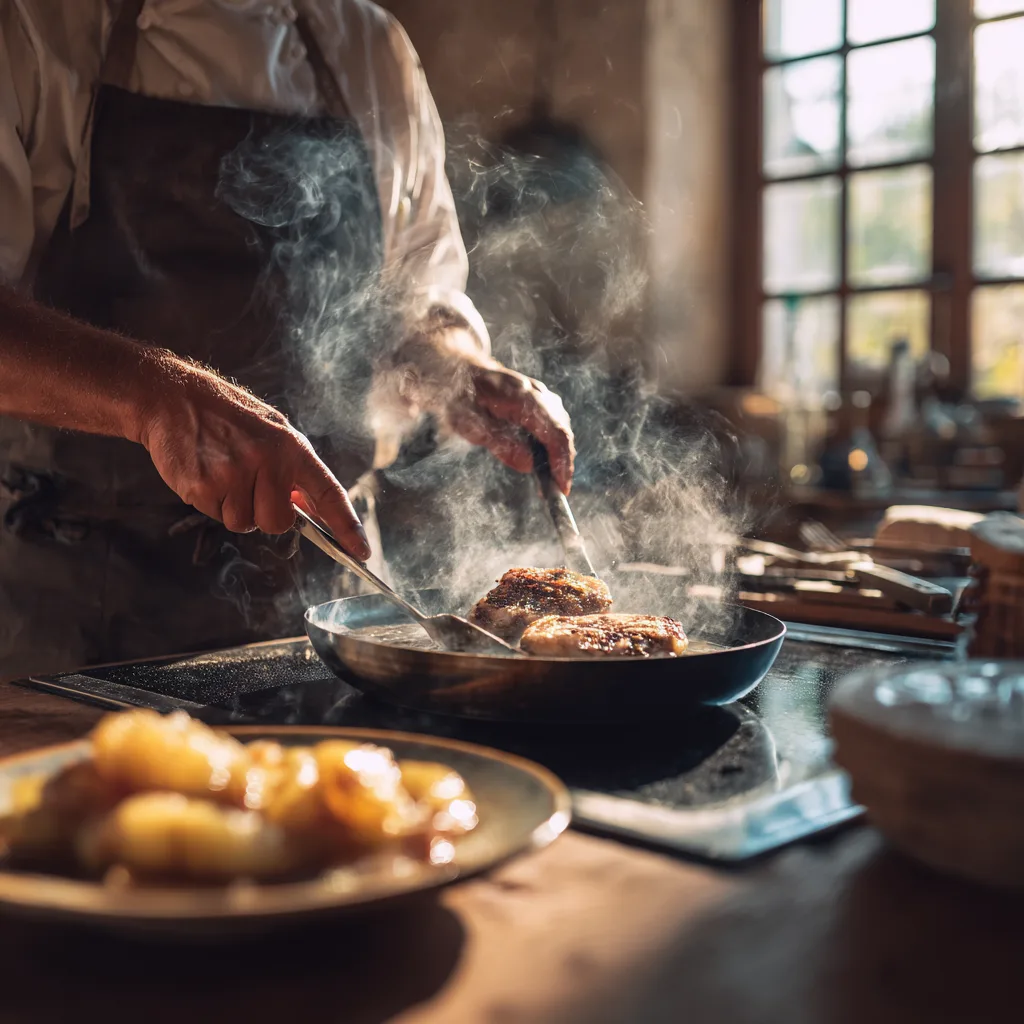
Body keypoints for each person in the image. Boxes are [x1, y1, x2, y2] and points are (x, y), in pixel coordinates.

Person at [0, 0, 574, 680]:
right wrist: (158, 399)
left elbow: (413, 292)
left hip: (338, 601)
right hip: (89, 602)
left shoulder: (367, 46)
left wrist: (457, 366)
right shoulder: (36, 26)